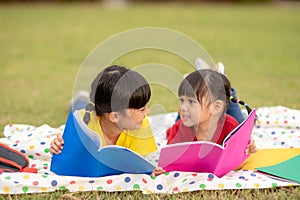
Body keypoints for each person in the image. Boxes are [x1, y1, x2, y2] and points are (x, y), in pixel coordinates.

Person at [50, 65, 165, 176]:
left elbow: (137, 167)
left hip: (100, 109)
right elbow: (68, 159)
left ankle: (82, 99)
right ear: (115, 116)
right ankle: (80, 99)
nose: (147, 112)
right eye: (142, 109)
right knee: (80, 105)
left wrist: (149, 171)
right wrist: (59, 148)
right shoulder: (82, 122)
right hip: (89, 110)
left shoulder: (140, 124)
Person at [166, 69, 257, 155]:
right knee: (183, 117)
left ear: (215, 107)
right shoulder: (178, 129)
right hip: (190, 120)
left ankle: (225, 88)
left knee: (239, 119)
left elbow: (240, 153)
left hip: (219, 114)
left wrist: (249, 147)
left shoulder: (231, 126)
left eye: (191, 101)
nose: (183, 107)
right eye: (181, 101)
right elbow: (169, 158)